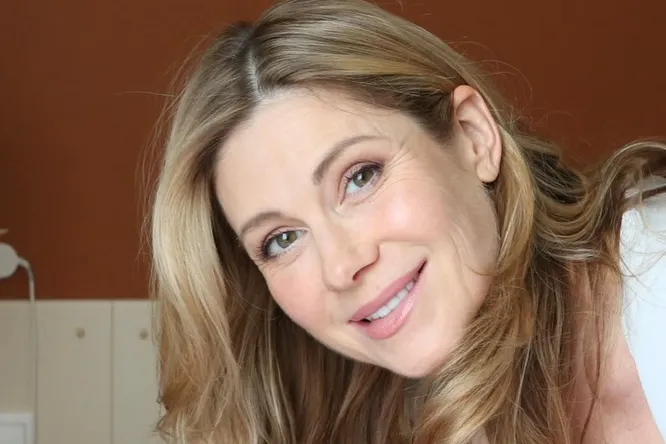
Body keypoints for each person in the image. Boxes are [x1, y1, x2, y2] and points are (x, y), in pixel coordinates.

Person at [147, 0, 666, 442]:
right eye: (282, 240)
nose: (341, 266)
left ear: (473, 136)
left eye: (360, 177)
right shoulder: (419, 410)